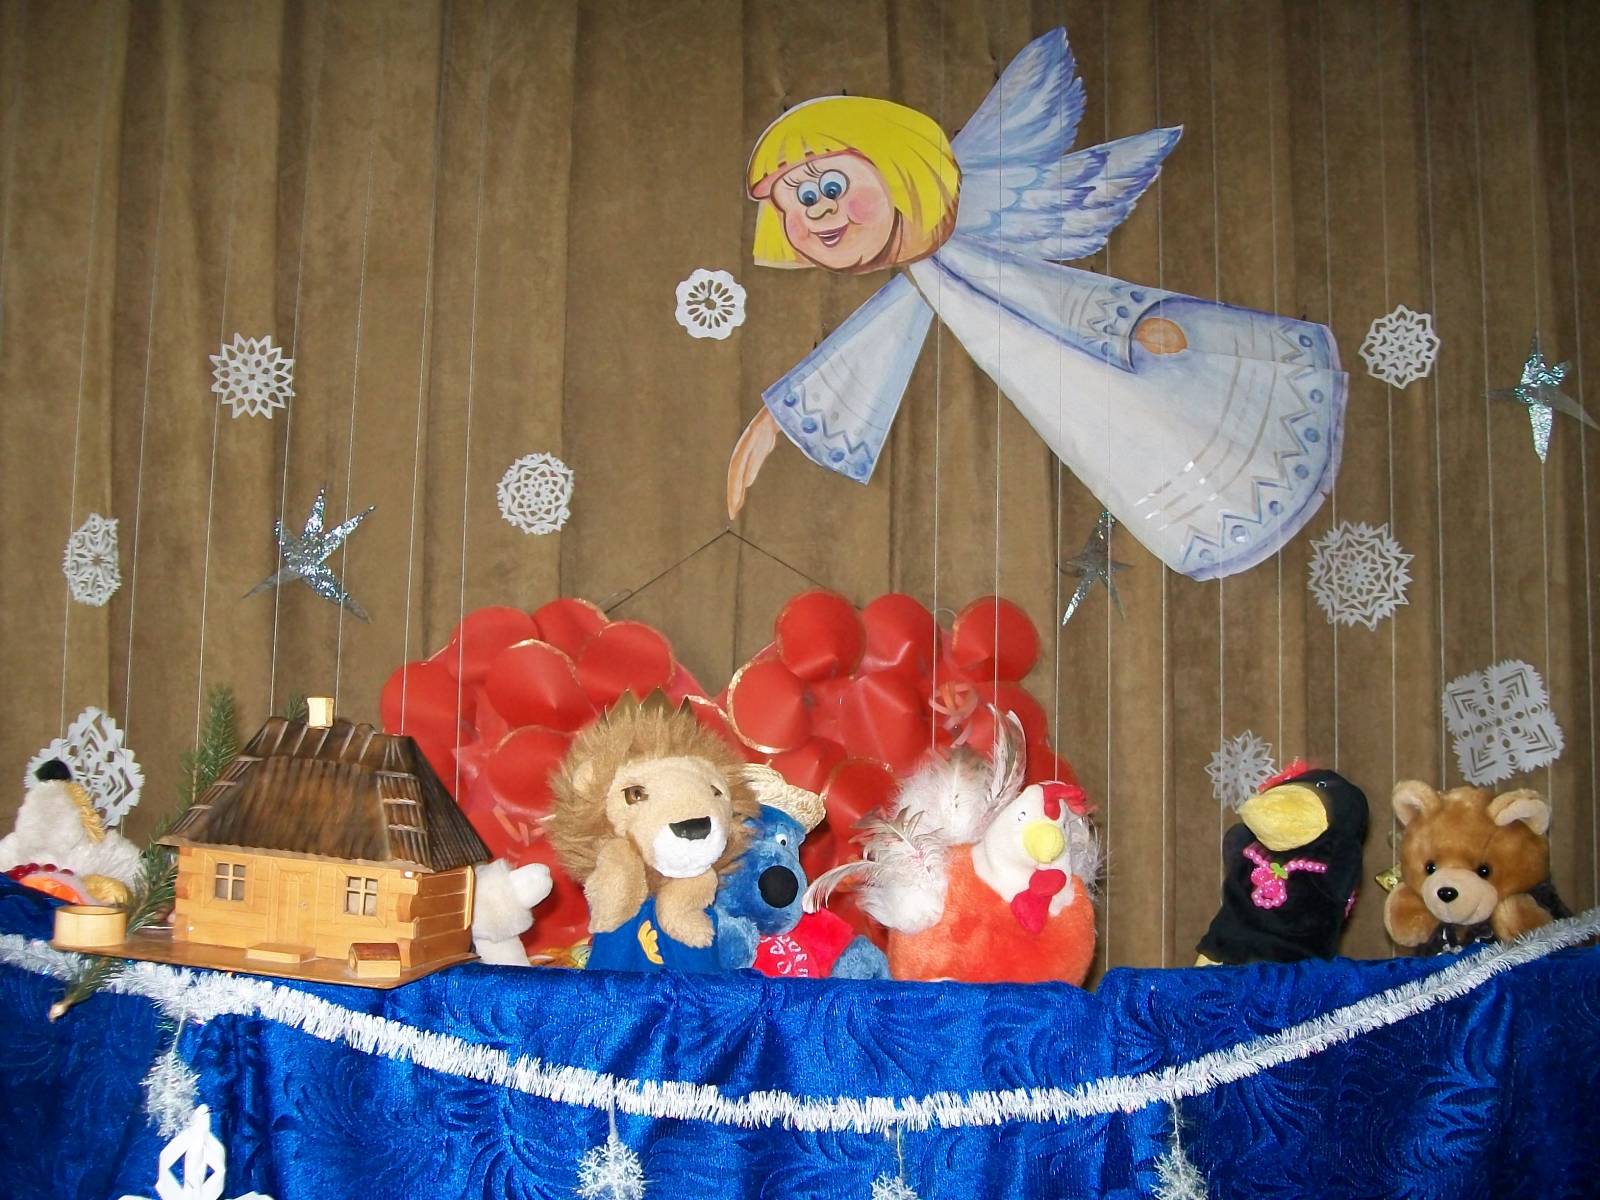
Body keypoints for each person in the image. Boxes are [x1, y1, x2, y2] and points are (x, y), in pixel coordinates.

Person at [728, 27, 1345, 582]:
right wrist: (775, 422)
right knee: (1116, 437)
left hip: (1107, 354)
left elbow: (1051, 299)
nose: (821, 210)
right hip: (1065, 391)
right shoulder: (926, 272)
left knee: (1165, 416)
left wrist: (1124, 330)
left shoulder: (963, 249)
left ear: (899, 170)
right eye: (799, 199)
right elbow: (873, 340)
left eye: (832, 186)